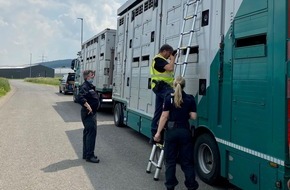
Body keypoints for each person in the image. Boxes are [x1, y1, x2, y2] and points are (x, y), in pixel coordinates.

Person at [154, 76, 199, 190]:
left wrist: (158, 133)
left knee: (170, 161)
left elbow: (164, 116)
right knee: (187, 162)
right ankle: (191, 186)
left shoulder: (169, 98)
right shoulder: (190, 98)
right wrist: (185, 114)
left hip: (171, 132)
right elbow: (193, 116)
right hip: (185, 132)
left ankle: (170, 186)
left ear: (174, 85)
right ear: (184, 86)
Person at [150, 44, 176, 142]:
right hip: (161, 87)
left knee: (158, 111)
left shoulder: (161, 60)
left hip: (161, 87)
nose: (169, 56)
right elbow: (170, 68)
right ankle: (166, 126)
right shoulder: (158, 59)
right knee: (173, 99)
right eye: (169, 53)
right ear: (164, 51)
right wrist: (172, 59)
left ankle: (154, 135)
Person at [77, 70, 100, 163]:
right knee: (91, 133)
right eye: (91, 75)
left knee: (87, 133)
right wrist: (88, 105)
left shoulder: (90, 86)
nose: (93, 77)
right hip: (88, 113)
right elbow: (80, 97)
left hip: (91, 113)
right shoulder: (85, 86)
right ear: (87, 77)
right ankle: (90, 156)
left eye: (93, 75)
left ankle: (86, 153)